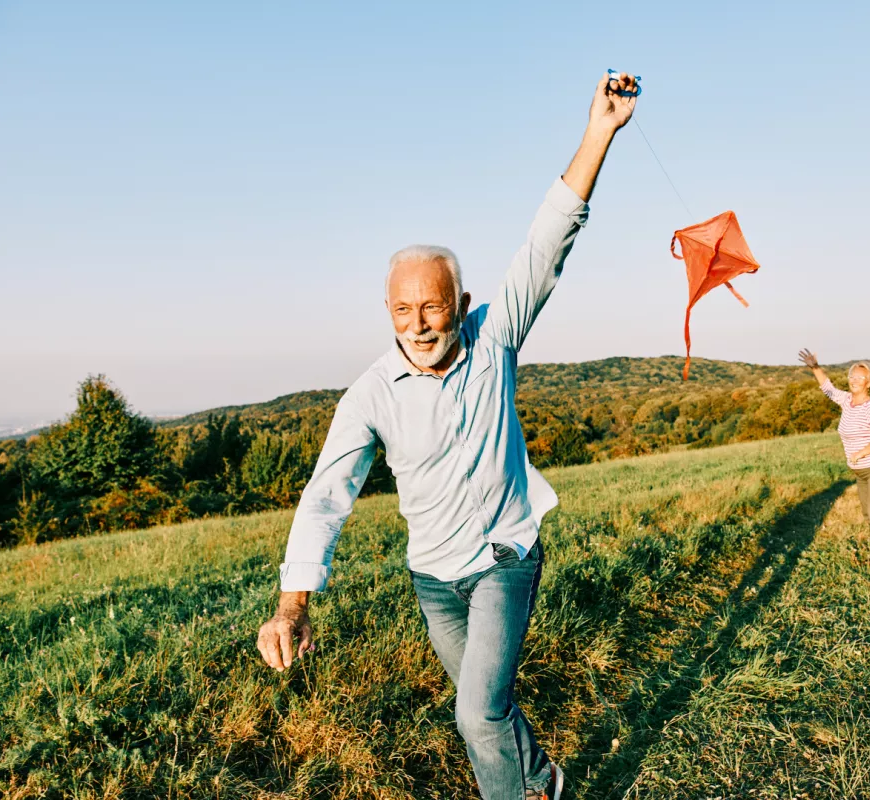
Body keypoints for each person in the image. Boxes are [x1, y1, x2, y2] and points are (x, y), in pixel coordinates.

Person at [256, 72, 640, 800]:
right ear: (386, 311)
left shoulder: (493, 337)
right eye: (402, 310)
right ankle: (542, 780)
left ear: (459, 304)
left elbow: (547, 240)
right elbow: (326, 495)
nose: (418, 325)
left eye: (432, 307)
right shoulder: (369, 394)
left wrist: (599, 131)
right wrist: (292, 605)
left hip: (504, 557)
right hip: (434, 579)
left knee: (475, 713)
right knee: (486, 705)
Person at [798, 349, 870, 576]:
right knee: (869, 515)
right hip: (860, 472)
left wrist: (862, 453)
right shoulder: (847, 401)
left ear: (868, 383)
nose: (854, 381)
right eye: (852, 376)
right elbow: (828, 388)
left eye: (860, 378)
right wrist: (815, 366)